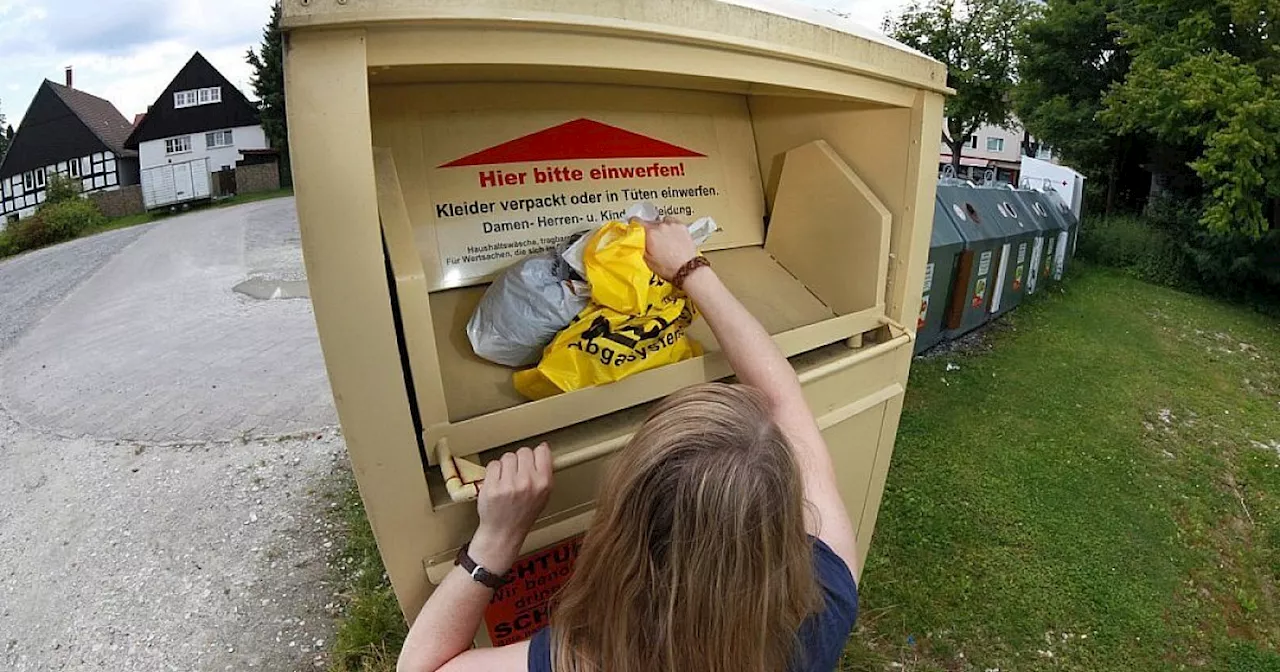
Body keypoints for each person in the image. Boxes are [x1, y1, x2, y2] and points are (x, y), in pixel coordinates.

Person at [398, 217, 860, 672]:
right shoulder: (828, 596)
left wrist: (496, 540)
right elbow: (780, 397)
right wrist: (689, 268)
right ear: (781, 516)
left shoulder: (596, 658)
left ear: (625, 528)